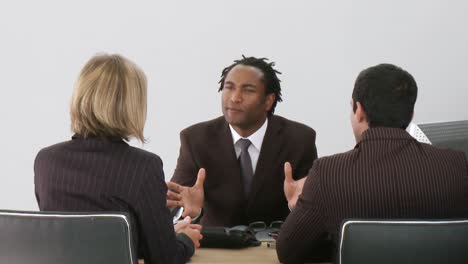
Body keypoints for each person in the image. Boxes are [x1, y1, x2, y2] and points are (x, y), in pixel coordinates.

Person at [276, 63, 468, 263]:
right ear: (411, 115)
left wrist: (297, 207)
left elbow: (288, 252)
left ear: (358, 110)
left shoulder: (328, 173)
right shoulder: (456, 165)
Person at [34, 54, 202, 264]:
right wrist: (185, 239)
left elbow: (79, 238)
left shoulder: (46, 161)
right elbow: (164, 258)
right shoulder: (143, 166)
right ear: (133, 105)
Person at [166, 56, 318, 226]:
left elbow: (315, 210)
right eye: (229, 88)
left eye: (248, 90)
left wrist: (298, 208)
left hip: (276, 246)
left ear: (268, 101)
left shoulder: (300, 140)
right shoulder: (195, 139)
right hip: (216, 246)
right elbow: (174, 203)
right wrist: (190, 212)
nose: (234, 98)